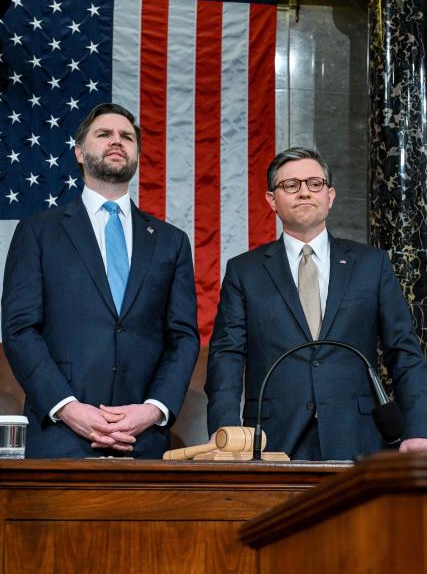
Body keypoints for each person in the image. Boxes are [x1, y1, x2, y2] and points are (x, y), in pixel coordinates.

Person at [2, 102, 200, 458]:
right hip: (60, 437)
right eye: (104, 134)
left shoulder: (171, 241)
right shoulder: (38, 232)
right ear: (79, 152)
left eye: (126, 137)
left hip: (143, 440)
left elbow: (183, 338)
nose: (116, 141)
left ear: (137, 154)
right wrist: (68, 408)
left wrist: (153, 409)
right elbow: (19, 329)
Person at [205, 147, 427, 460]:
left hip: (357, 436)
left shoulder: (371, 265)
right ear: (272, 200)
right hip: (271, 439)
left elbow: (404, 351)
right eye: (291, 185)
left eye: (314, 184)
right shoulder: (245, 271)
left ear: (330, 195)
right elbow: (227, 355)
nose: (304, 192)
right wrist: (225, 428)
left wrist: (419, 429)